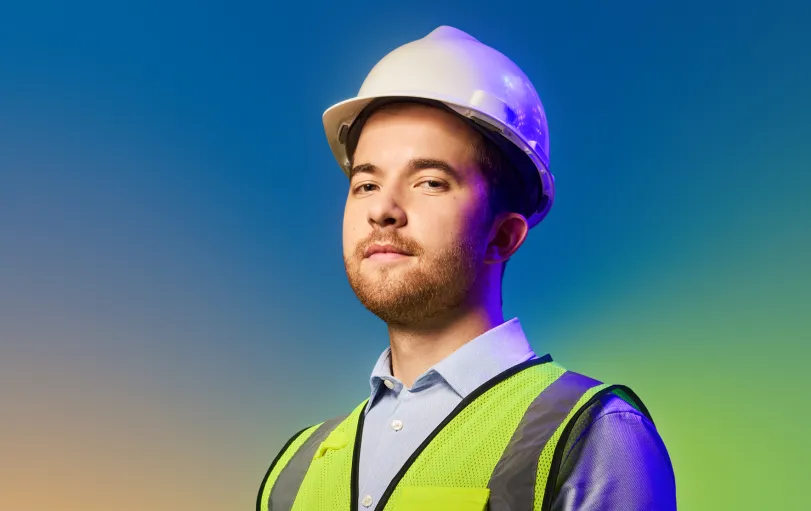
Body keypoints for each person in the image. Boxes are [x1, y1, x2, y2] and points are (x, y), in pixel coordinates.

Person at [258, 26, 675, 511]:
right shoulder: (296, 473)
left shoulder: (590, 439)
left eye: (430, 182)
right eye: (366, 185)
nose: (383, 210)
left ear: (503, 235)